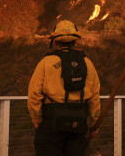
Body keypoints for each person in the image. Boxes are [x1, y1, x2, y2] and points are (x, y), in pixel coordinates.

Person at [28, 20, 101, 156]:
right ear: (75, 41)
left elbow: (34, 95)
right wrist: (92, 124)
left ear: (55, 42)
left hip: (51, 124)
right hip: (78, 124)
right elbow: (94, 96)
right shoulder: (87, 63)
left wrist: (37, 121)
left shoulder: (46, 63)